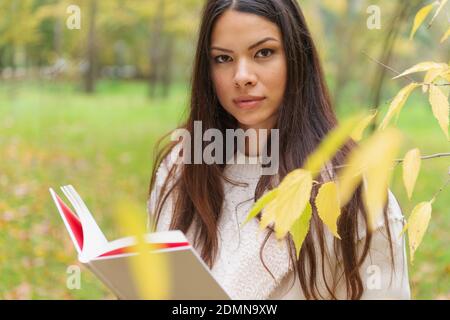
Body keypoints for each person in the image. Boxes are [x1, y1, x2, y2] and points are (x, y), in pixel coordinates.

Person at [147, 0, 411, 300]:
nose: (241, 76)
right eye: (223, 58)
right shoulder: (181, 168)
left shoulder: (350, 186)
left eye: (263, 53)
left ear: (298, 57)